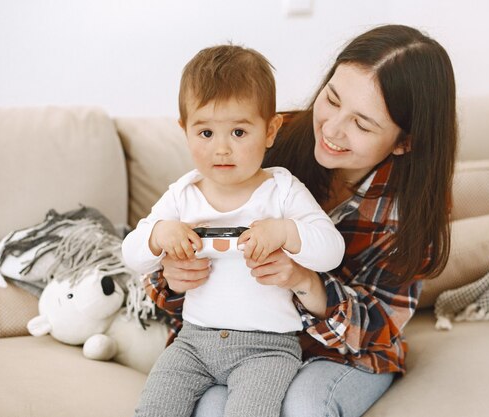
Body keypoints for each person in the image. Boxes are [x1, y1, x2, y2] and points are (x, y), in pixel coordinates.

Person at [151, 24, 457, 417]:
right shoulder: (261, 139)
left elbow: (377, 328)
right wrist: (175, 277)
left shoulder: (413, 207)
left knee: (306, 405)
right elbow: (175, 251)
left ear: (404, 141)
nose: (331, 129)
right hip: (241, 340)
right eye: (331, 99)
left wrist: (305, 282)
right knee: (210, 405)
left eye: (362, 124)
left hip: (345, 352)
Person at [122, 44, 345, 417]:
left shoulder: (282, 190)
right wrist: (159, 234)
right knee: (155, 408)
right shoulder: (182, 195)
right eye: (205, 132)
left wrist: (286, 232)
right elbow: (131, 254)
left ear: (271, 130)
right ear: (185, 130)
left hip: (268, 348)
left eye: (239, 132)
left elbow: (331, 251)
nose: (221, 149)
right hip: (193, 341)